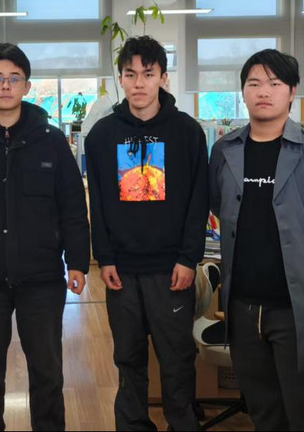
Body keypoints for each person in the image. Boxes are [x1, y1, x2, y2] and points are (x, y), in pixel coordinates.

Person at [209, 49, 304, 430]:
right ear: (243, 92)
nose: (264, 91)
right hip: (243, 308)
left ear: (292, 91)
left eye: (274, 83)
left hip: (298, 310)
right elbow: (218, 203)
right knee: (263, 413)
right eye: (254, 83)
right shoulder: (225, 151)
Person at [0, 42, 90, 431]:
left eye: (14, 78)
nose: (5, 85)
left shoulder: (51, 141)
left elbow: (73, 206)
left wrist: (77, 261)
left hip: (42, 277)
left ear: (27, 86)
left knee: (48, 374)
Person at [85, 35, 208, 431]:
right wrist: (104, 257)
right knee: (128, 359)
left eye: (148, 74)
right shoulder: (101, 135)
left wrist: (188, 258)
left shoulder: (188, 132)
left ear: (163, 78)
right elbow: (98, 203)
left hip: (171, 270)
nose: (139, 83)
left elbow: (198, 201)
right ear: (120, 78)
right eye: (130, 74)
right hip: (122, 270)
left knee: (176, 359)